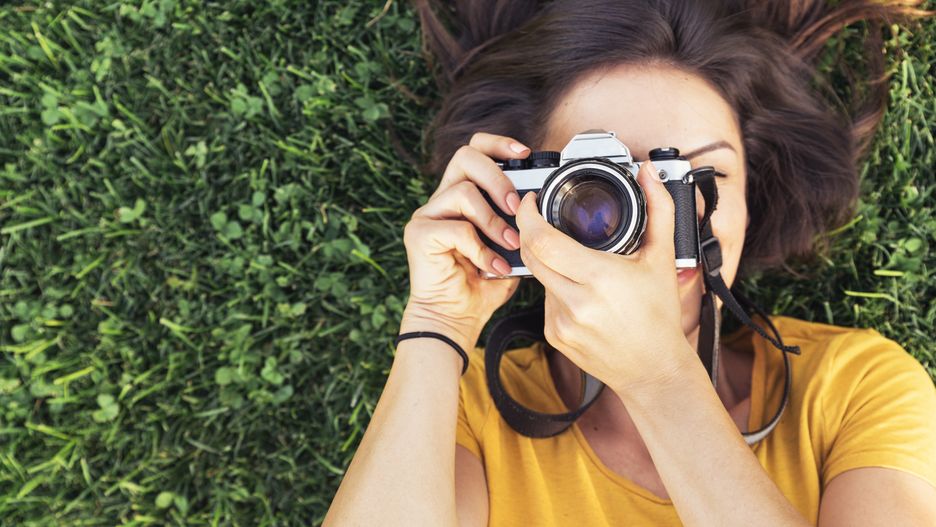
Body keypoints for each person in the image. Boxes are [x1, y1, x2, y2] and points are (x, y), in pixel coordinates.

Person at [323, 1, 936, 525]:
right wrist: (435, 324)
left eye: (695, 178)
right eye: (603, 188)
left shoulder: (854, 389)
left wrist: (660, 380)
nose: (658, 221)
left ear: (749, 195)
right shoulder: (458, 420)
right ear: (524, 203)